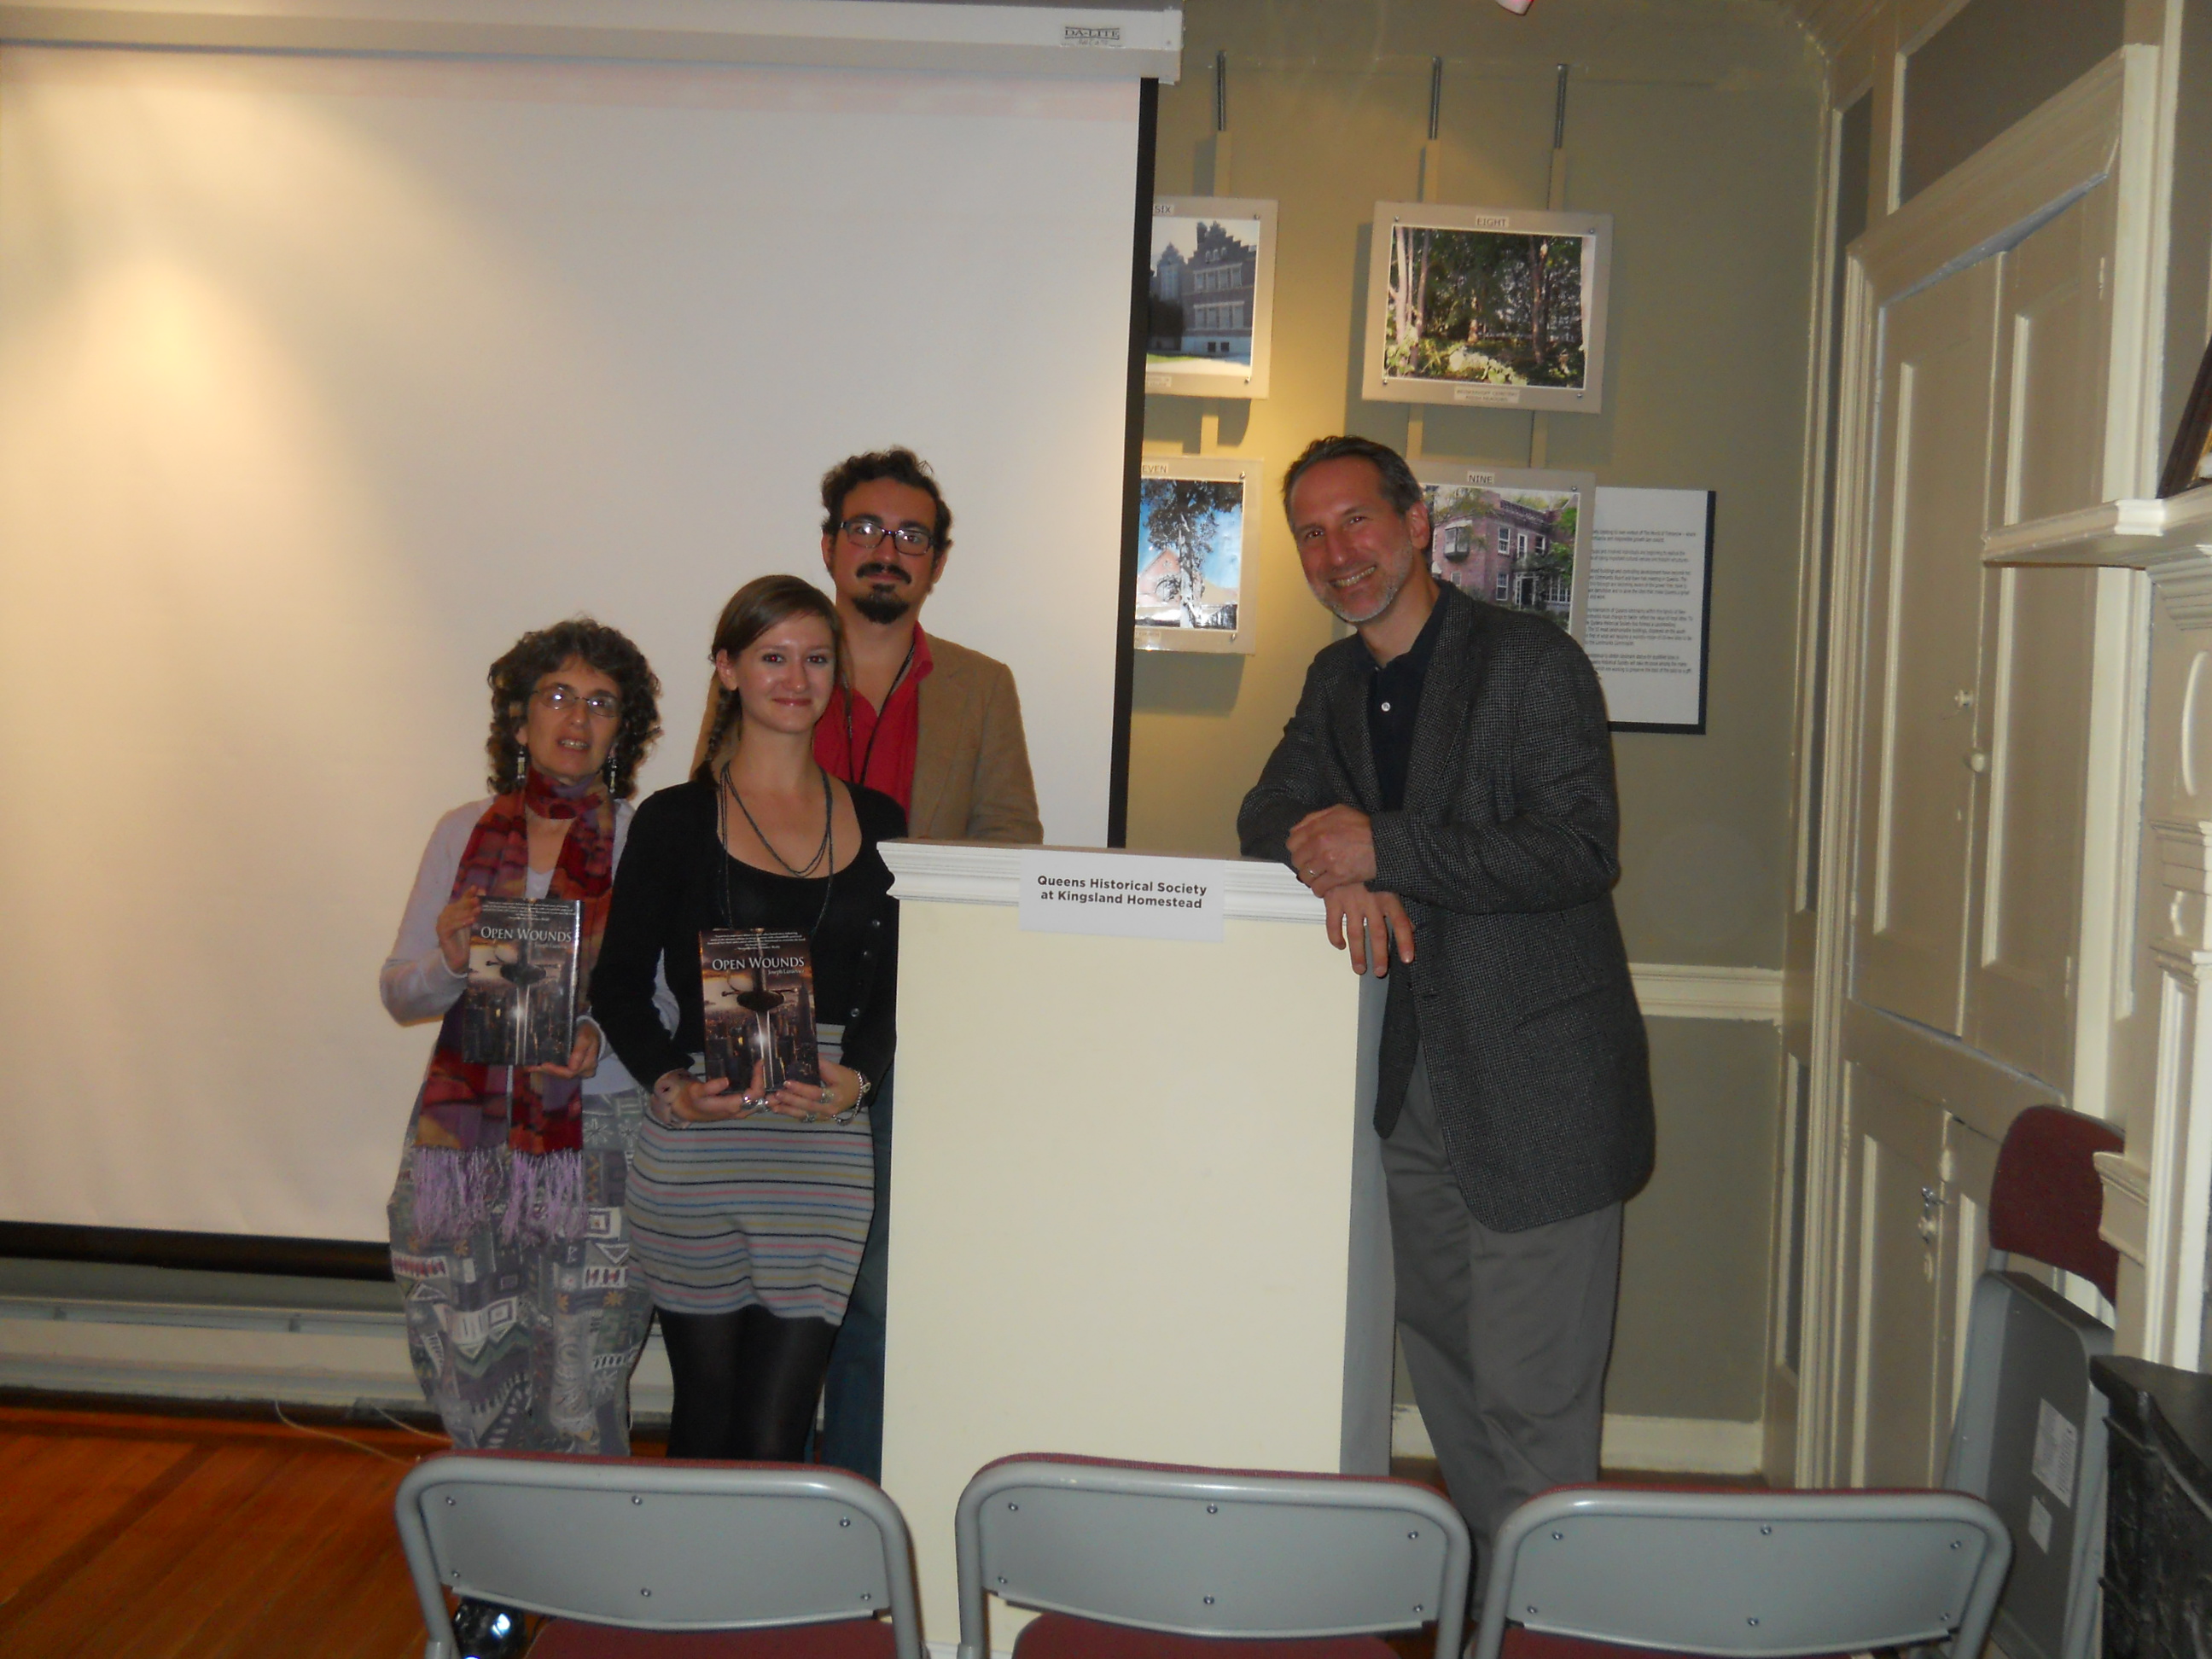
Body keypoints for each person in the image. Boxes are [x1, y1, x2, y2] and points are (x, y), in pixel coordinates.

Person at [1237, 435, 1654, 1587]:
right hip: (1410, 1090)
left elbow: (1577, 849)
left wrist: (1386, 847)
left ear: (1418, 524)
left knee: (1533, 1396)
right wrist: (1341, 870)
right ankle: (1497, 1594)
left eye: (1357, 521)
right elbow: (1268, 811)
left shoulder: (1530, 661)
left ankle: (1557, 1616)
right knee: (1451, 1375)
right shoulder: (1334, 682)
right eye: (1311, 534)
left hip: (1541, 1091)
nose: (1337, 553)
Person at [594, 575, 901, 1461]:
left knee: (775, 1434)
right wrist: (671, 1087)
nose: (796, 679)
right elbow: (617, 984)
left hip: (822, 1141)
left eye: (816, 659)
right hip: (702, 1142)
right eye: (773, 657)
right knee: (706, 1423)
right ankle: (690, 1562)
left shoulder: (881, 819)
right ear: (727, 669)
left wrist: (858, 1080)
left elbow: (897, 985)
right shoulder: (674, 819)